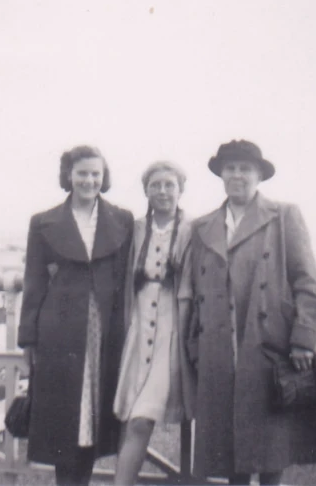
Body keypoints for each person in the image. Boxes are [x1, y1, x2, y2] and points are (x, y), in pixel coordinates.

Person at [187, 140, 316, 485]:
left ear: (259, 175)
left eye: (245, 168)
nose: (237, 175)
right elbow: (196, 292)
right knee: (228, 449)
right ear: (221, 174)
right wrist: (195, 349)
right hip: (219, 348)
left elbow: (306, 279)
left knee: (272, 446)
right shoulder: (203, 226)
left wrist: (304, 337)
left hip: (270, 344)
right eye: (231, 168)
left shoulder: (284, 215)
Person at [17, 145, 134, 486]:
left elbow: (126, 276)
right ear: (69, 175)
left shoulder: (122, 219)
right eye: (82, 173)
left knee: (94, 417)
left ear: (104, 176)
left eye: (96, 173)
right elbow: (34, 281)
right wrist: (28, 339)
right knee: (64, 420)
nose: (89, 180)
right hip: (60, 332)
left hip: (105, 333)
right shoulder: (43, 222)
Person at [113, 161, 196, 485]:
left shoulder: (194, 229)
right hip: (136, 333)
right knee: (128, 419)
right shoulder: (133, 228)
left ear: (180, 189)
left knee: (140, 421)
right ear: (146, 191)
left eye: (169, 185)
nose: (162, 191)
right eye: (155, 185)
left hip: (170, 337)